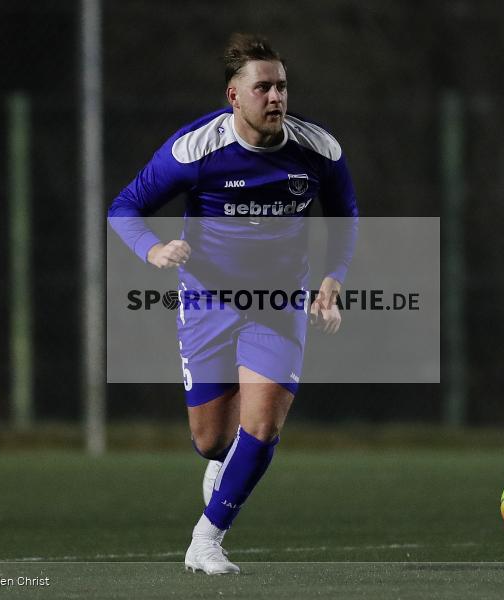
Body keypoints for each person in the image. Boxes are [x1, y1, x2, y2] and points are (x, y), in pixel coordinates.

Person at [108, 33, 358, 574]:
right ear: (233, 96)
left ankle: (206, 539)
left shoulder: (318, 150)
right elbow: (124, 206)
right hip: (206, 302)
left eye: (282, 87)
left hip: (279, 302)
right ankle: (224, 467)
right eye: (263, 87)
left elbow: (346, 216)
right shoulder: (193, 151)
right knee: (212, 440)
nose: (276, 98)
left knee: (263, 425)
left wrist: (333, 279)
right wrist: (152, 249)